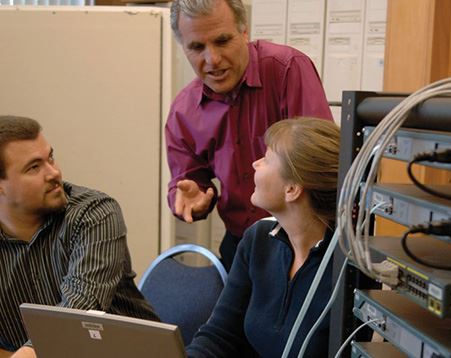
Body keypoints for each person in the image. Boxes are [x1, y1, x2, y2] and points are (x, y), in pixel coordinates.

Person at [166, 0, 333, 270]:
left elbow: (320, 163)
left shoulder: (288, 69)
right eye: (197, 47)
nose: (212, 60)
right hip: (242, 245)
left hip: (307, 242)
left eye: (222, 41)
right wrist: (191, 197)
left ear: (245, 32)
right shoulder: (184, 111)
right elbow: (188, 183)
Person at [0, 116, 159, 358]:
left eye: (50, 158)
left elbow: (76, 317)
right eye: (34, 167)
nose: (54, 173)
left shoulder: (94, 213)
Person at [186, 118, 340, 357]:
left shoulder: (345, 267)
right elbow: (219, 335)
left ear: (292, 189)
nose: (256, 164)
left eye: (267, 159)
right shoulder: (258, 239)